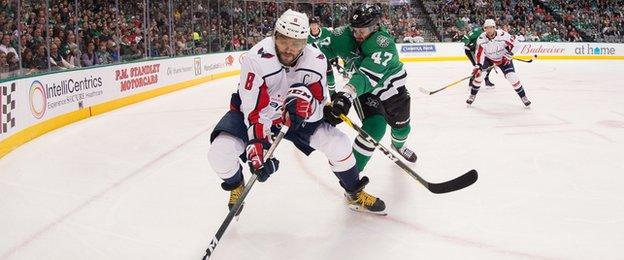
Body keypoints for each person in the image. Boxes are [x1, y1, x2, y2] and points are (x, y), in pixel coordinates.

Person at [207, 9, 386, 216]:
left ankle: (354, 192)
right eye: (283, 40)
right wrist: (257, 146)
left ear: (305, 42)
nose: (289, 49)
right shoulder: (256, 58)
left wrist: (306, 104)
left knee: (339, 144)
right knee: (219, 153)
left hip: (294, 119)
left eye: (297, 43)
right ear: (274, 35)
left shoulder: (316, 59)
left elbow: (319, 102)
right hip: (258, 115)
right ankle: (235, 183)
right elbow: (252, 108)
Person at [322, 4, 418, 175]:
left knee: (402, 128)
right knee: (375, 128)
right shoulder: (343, 35)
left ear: (375, 27)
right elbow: (318, 52)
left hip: (392, 91)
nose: (357, 35)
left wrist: (345, 94)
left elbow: (367, 76)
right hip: (365, 92)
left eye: (362, 31)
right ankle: (352, 177)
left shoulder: (383, 43)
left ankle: (398, 146)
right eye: (355, 30)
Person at [466, 19, 531, 107]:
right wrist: (479, 65)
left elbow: (517, 44)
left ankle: (524, 97)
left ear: (494, 28)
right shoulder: (481, 38)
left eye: (491, 28)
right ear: (484, 29)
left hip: (504, 59)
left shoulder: (503, 35)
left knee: (512, 77)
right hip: (488, 59)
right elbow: (479, 54)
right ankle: (472, 95)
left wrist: (510, 54)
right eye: (486, 28)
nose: (489, 30)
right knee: (479, 76)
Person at [307, 16, 340, 95]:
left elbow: (335, 43)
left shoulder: (327, 31)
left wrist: (335, 57)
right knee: (313, 80)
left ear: (318, 25)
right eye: (312, 24)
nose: (314, 26)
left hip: (327, 59)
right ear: (309, 26)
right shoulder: (306, 36)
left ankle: (332, 95)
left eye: (315, 24)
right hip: (314, 62)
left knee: (330, 78)